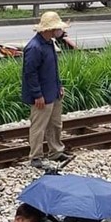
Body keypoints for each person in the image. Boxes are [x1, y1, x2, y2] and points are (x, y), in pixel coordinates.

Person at [22, 11, 71, 168]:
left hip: (53, 91)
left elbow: (52, 69)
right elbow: (30, 73)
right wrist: (37, 94)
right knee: (39, 126)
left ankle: (55, 151)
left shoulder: (49, 42)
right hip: (41, 94)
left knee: (55, 124)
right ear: (49, 29)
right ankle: (36, 156)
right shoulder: (34, 47)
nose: (60, 31)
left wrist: (59, 86)